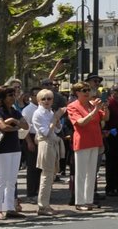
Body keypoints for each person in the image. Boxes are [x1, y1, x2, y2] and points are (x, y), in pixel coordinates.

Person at [0, 85, 26, 219]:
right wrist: (15, 126)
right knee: (2, 179)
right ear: (2, 98)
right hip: (3, 148)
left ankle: (9, 208)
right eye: (10, 95)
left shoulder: (14, 111)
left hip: (15, 147)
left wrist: (14, 121)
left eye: (13, 95)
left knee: (12, 179)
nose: (13, 97)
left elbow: (26, 125)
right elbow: (2, 126)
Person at [66, 80, 106, 211]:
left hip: (94, 140)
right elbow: (81, 122)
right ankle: (79, 201)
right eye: (84, 90)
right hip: (82, 142)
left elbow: (105, 118)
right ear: (77, 93)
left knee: (91, 173)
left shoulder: (91, 104)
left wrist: (104, 107)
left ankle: (88, 200)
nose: (87, 93)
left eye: (88, 90)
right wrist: (95, 110)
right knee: (81, 173)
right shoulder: (73, 106)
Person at [26, 88, 62, 216]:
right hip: (45, 144)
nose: (46, 101)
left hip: (53, 143)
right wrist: (55, 119)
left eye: (49, 99)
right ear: (38, 100)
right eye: (43, 99)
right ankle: (42, 206)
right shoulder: (38, 113)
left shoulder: (49, 111)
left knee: (51, 175)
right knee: (46, 175)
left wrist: (56, 121)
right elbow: (45, 132)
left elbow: (57, 130)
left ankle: (46, 204)